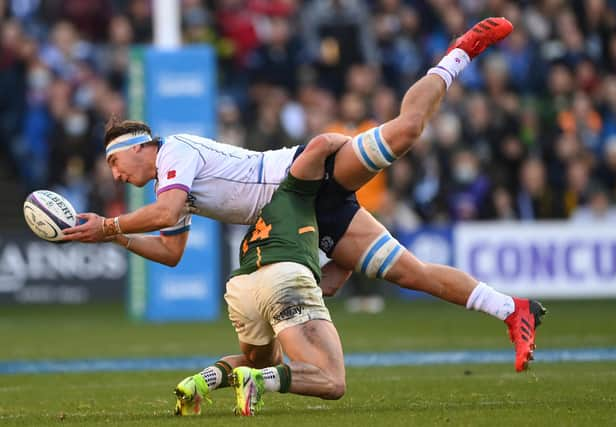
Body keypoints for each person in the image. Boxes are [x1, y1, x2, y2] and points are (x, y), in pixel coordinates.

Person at [63, 18, 545, 372]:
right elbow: (170, 251)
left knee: (403, 133)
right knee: (411, 273)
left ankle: (460, 50)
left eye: (114, 162)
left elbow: (163, 212)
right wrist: (115, 239)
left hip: (303, 178)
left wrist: (108, 226)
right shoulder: (174, 183)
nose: (116, 175)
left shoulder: (175, 152)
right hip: (305, 214)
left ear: (141, 147)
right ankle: (512, 308)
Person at [173, 132, 351, 416]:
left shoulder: (262, 210)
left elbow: (327, 284)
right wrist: (358, 149)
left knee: (260, 359)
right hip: (283, 277)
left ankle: (199, 383)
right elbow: (321, 144)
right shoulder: (297, 188)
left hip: (242, 285)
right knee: (330, 379)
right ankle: (259, 382)